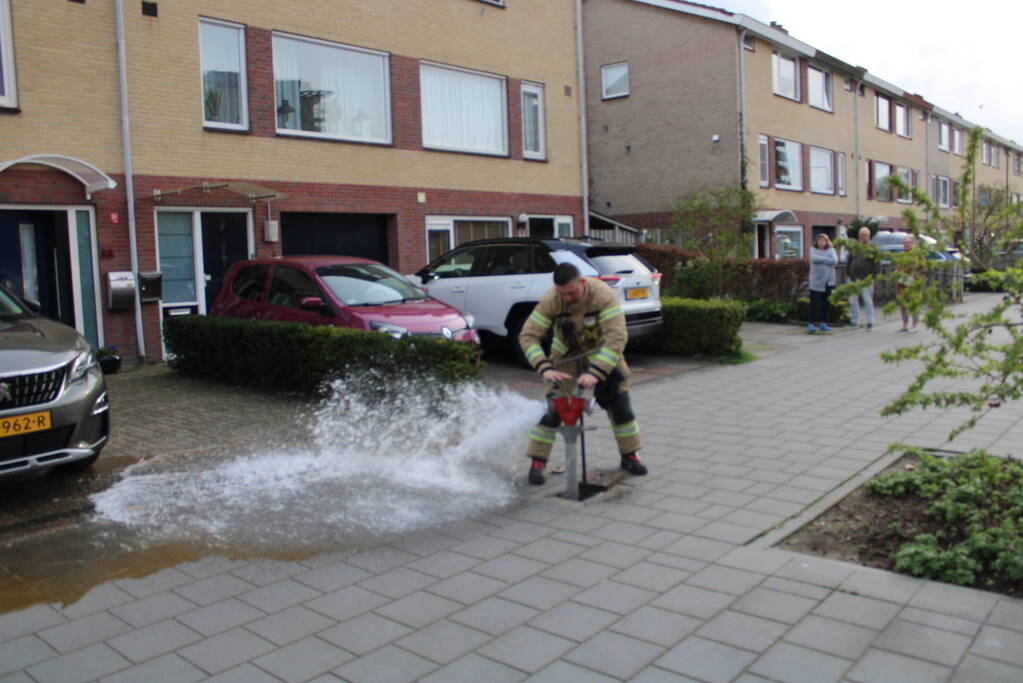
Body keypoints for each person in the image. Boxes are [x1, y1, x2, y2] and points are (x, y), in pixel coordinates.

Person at [518, 262, 646, 485]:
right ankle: (537, 462)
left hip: (602, 354)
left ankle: (630, 455)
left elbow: (617, 338)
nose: (567, 298)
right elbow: (528, 336)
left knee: (620, 406)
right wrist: (545, 368)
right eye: (562, 293)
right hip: (565, 358)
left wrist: (596, 372)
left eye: (572, 292)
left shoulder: (603, 296)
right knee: (553, 409)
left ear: (582, 283)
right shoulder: (551, 300)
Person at [846, 227, 878, 330]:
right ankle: (855, 320)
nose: (863, 237)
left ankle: (869, 321)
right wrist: (849, 274)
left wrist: (872, 277)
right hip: (853, 279)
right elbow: (849, 261)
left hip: (866, 280)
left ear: (869, 236)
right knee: (852, 300)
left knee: (867, 300)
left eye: (865, 235)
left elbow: (877, 264)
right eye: (861, 235)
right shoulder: (854, 247)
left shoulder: (873, 248)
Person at [808, 233, 838, 333]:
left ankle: (823, 323)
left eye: (824, 240)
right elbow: (813, 259)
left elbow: (834, 261)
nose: (822, 242)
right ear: (817, 241)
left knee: (826, 303)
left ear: (827, 241)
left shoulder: (831, 250)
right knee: (815, 304)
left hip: (828, 282)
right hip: (815, 282)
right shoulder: (813, 249)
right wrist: (826, 260)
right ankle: (811, 323)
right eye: (820, 240)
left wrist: (821, 259)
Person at [896, 235, 922, 333]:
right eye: (904, 243)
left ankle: (914, 324)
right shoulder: (901, 255)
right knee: (903, 303)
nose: (906, 245)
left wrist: (916, 276)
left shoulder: (917, 255)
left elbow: (923, 268)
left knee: (914, 303)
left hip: (913, 282)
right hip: (902, 282)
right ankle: (905, 324)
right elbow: (898, 267)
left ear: (912, 244)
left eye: (908, 243)